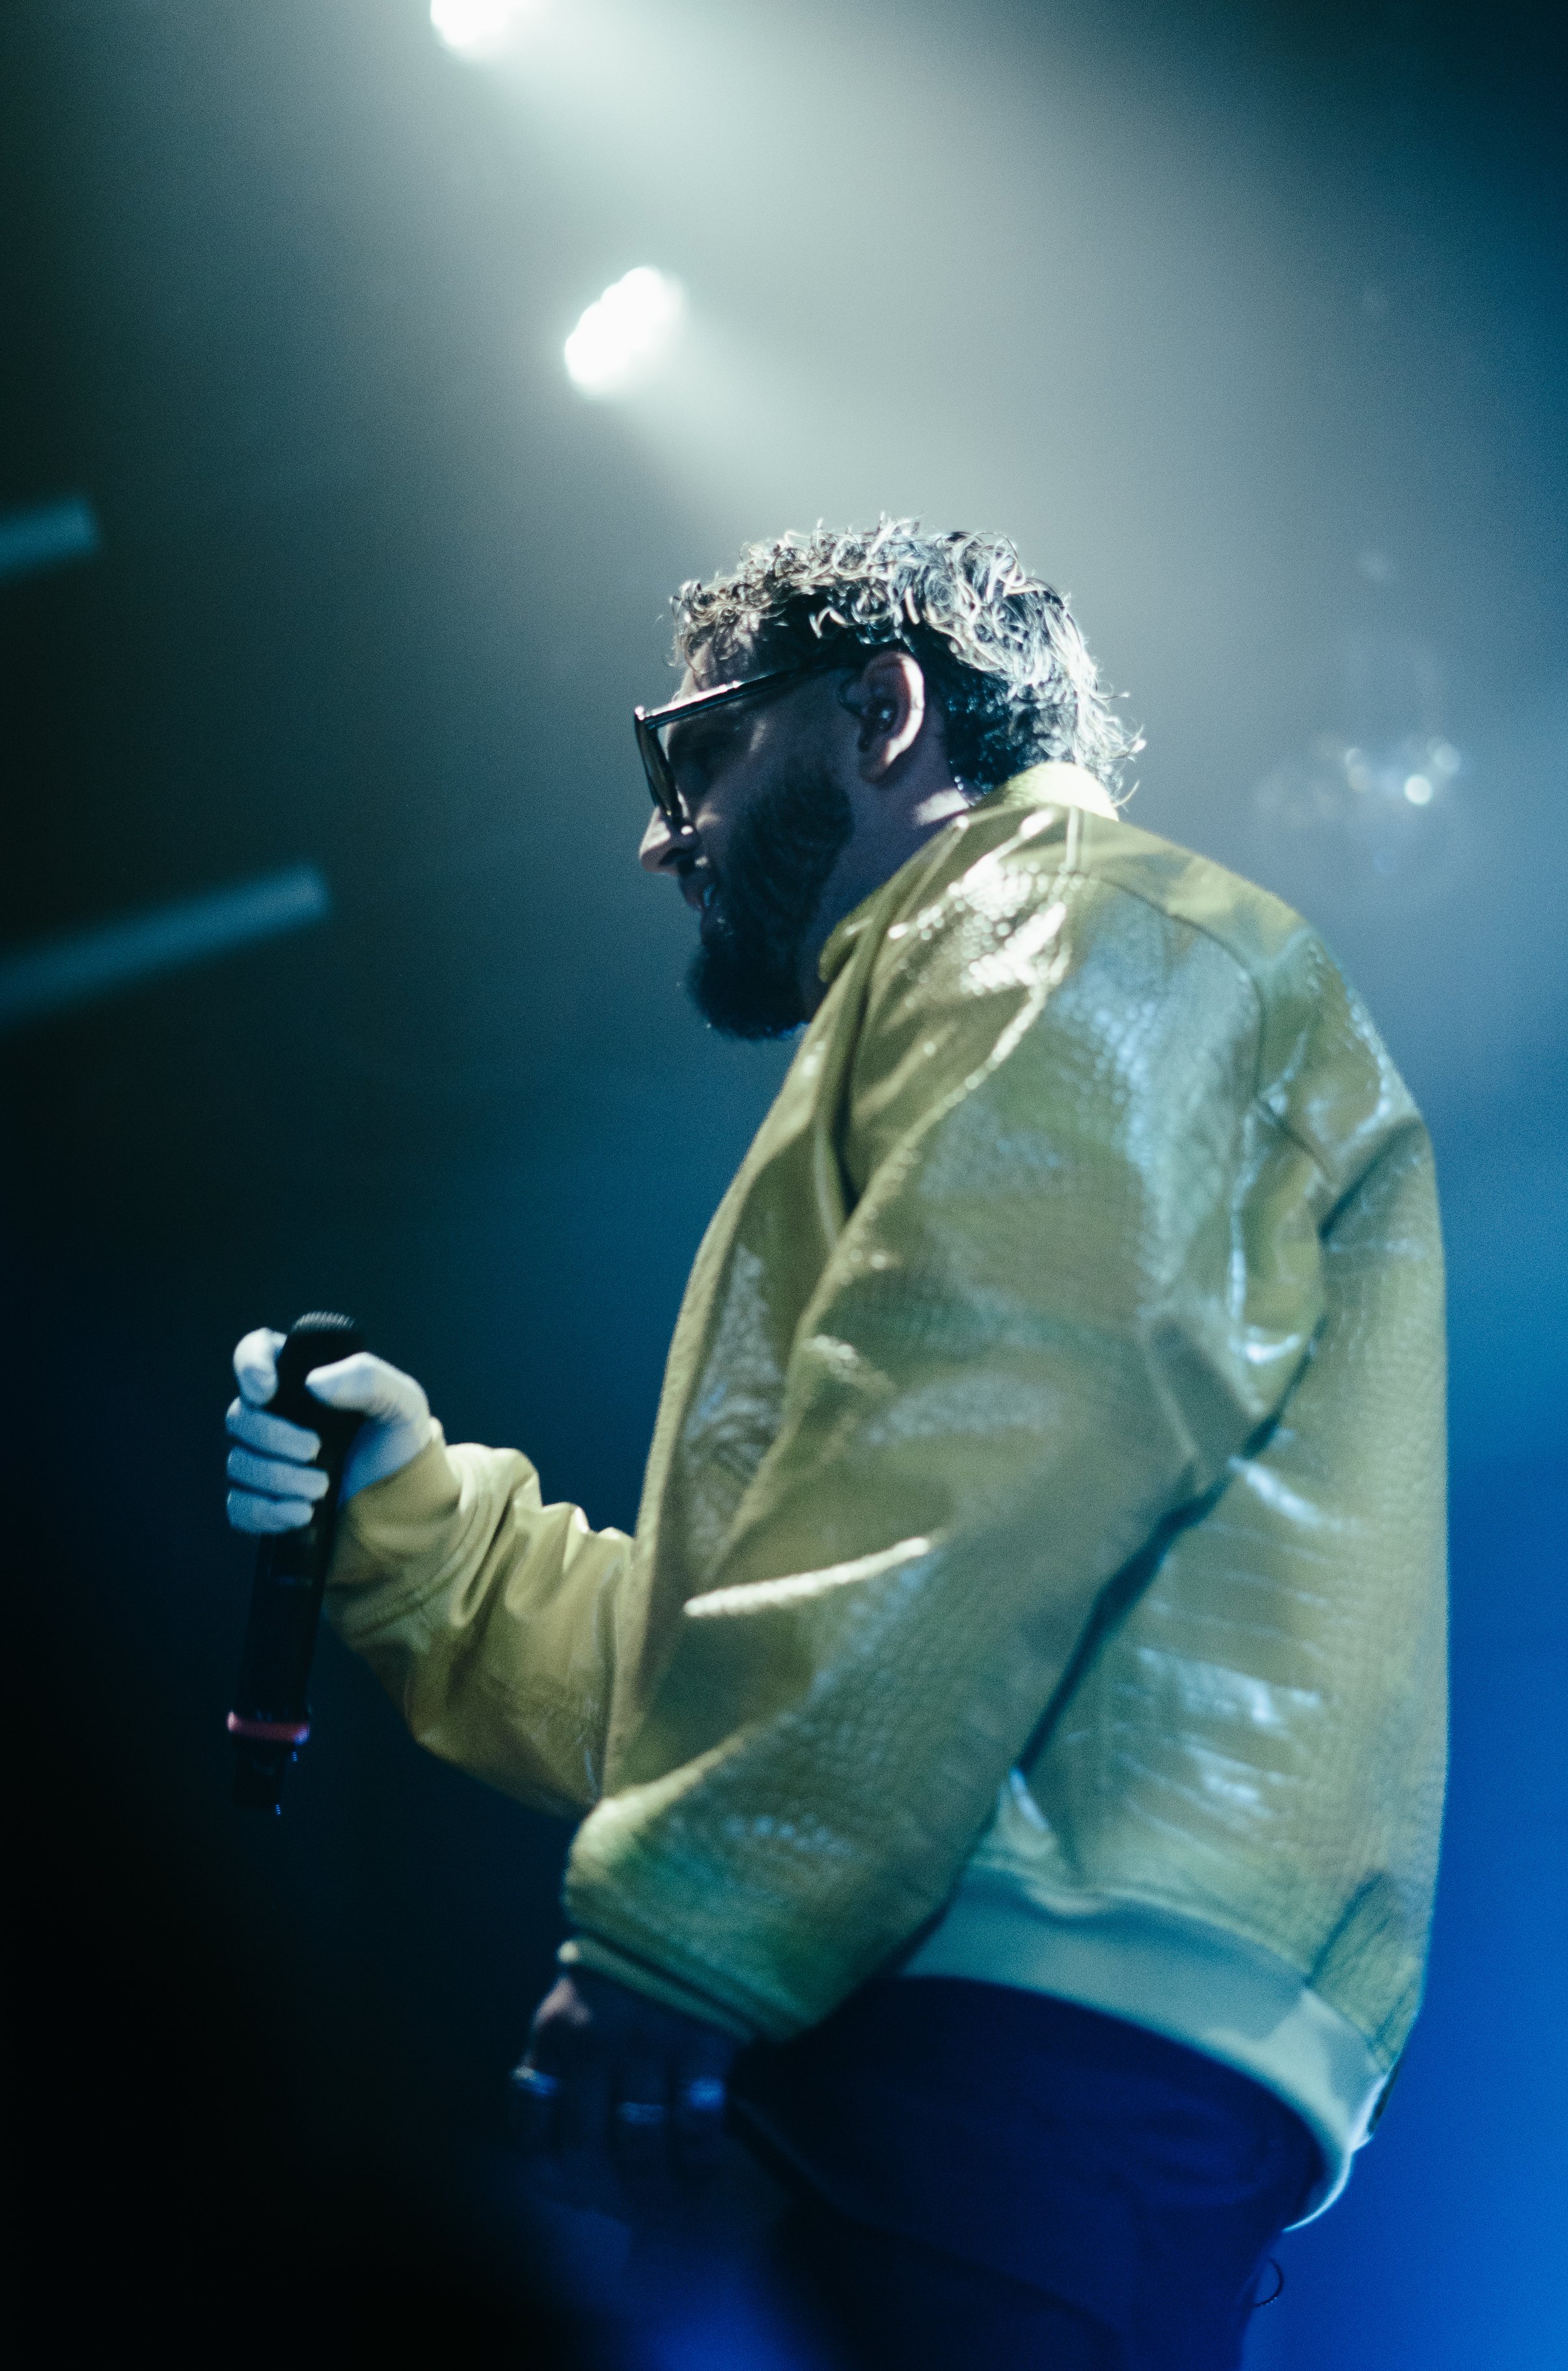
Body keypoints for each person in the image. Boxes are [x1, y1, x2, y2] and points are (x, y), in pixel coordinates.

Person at [225, 520, 1447, 2370]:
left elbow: (984, 1442)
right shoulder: (1016, 990)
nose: (661, 831)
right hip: (978, 2033)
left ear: (881, 711)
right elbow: (821, 1627)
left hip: (996, 2051)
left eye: (697, 749)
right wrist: (423, 1527)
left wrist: (693, 1922)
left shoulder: (1080, 934)